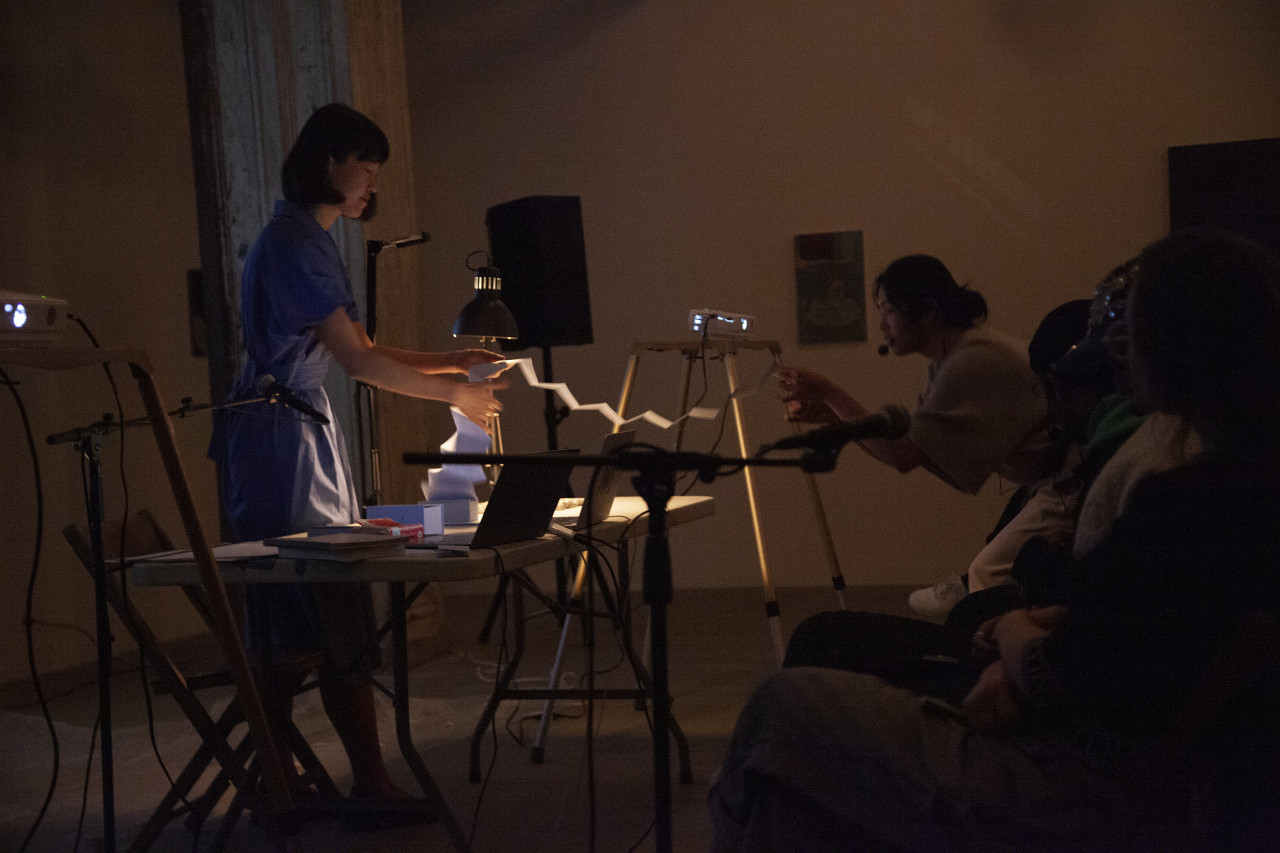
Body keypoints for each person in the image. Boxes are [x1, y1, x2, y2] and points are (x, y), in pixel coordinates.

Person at [710, 229, 1280, 852]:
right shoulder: (1235, 476)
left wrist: (1014, 631)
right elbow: (1123, 617)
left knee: (779, 703)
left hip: (1079, 783)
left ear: (1166, 345)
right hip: (1117, 752)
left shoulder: (1185, 496)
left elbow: (1065, 663)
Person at [208, 103, 509, 804]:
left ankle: (287, 779)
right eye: (364, 168)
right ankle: (367, 783)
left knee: (302, 604)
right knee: (323, 595)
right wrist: (455, 399)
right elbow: (359, 365)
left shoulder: (304, 239)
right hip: (282, 443)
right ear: (328, 163)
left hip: (289, 430)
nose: (371, 184)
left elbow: (364, 350)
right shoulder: (296, 244)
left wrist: (450, 363)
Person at [777, 254, 1062, 616]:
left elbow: (903, 453)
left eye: (889, 310)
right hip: (1049, 483)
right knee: (989, 572)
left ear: (927, 311)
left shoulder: (971, 359)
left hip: (1067, 484)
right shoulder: (953, 359)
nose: (882, 324)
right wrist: (837, 419)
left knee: (988, 575)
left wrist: (831, 394)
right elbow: (915, 453)